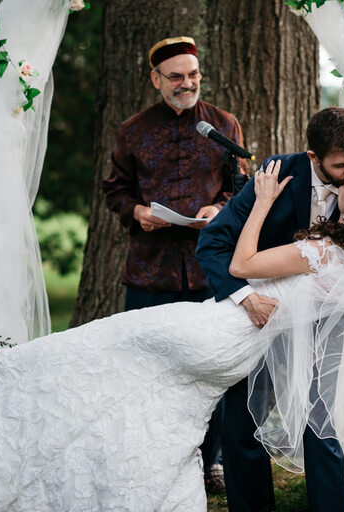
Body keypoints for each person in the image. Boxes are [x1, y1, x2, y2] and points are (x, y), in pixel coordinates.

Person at [0, 158, 344, 511]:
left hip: (216, 333)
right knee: (149, 404)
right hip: (232, 347)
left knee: (105, 340)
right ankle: (158, 494)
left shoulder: (320, 253)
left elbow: (241, 266)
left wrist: (260, 204)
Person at [196, 107, 344, 512]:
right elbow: (212, 244)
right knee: (243, 421)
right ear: (312, 157)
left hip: (325, 319)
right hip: (262, 316)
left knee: (320, 421)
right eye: (342, 165)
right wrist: (245, 298)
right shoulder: (271, 177)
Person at [101, 36, 248, 490]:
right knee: (148, 371)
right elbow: (116, 190)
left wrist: (221, 207)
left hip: (211, 270)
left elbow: (240, 184)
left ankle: (213, 461)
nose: (187, 84)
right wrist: (138, 212)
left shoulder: (224, 125)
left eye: (193, 75)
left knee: (214, 368)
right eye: (176, 77)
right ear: (156, 79)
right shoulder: (132, 130)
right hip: (151, 270)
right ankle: (154, 461)